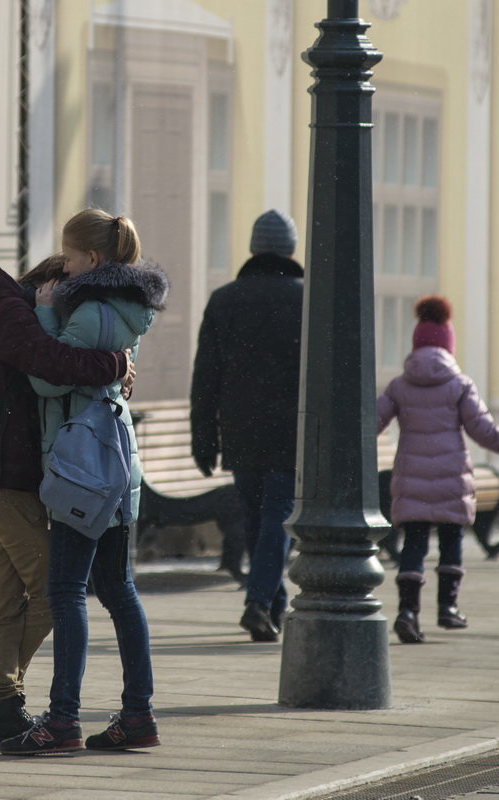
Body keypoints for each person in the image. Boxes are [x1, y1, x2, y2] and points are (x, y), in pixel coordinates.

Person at [0, 209, 168, 755]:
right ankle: (137, 715)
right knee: (118, 590)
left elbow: (50, 378)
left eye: (69, 257)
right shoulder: (123, 306)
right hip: (113, 467)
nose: (63, 267)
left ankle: (62, 719)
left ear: (92, 259)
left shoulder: (91, 310)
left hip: (84, 471)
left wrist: (45, 314)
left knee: (67, 590)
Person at [0, 256, 134, 749]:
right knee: (56, 591)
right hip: (5, 479)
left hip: (0, 479)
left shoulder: (2, 309)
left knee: (8, 597)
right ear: (49, 283)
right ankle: (0, 697)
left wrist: (109, 376)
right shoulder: (12, 314)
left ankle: (1, 703)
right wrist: (116, 362)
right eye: (68, 292)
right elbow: (54, 365)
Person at [377, 295, 499, 644]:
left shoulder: (399, 386)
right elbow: (484, 431)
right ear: (448, 347)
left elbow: (368, 424)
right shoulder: (460, 386)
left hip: (412, 480)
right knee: (452, 539)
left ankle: (408, 612)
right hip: (451, 479)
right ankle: (447, 608)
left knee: (415, 543)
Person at [190, 209, 303, 643]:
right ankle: (260, 602)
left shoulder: (225, 299)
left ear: (255, 249)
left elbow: (206, 377)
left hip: (242, 431)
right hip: (291, 434)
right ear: (290, 249)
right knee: (277, 518)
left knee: (258, 519)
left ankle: (269, 607)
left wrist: (204, 438)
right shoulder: (308, 298)